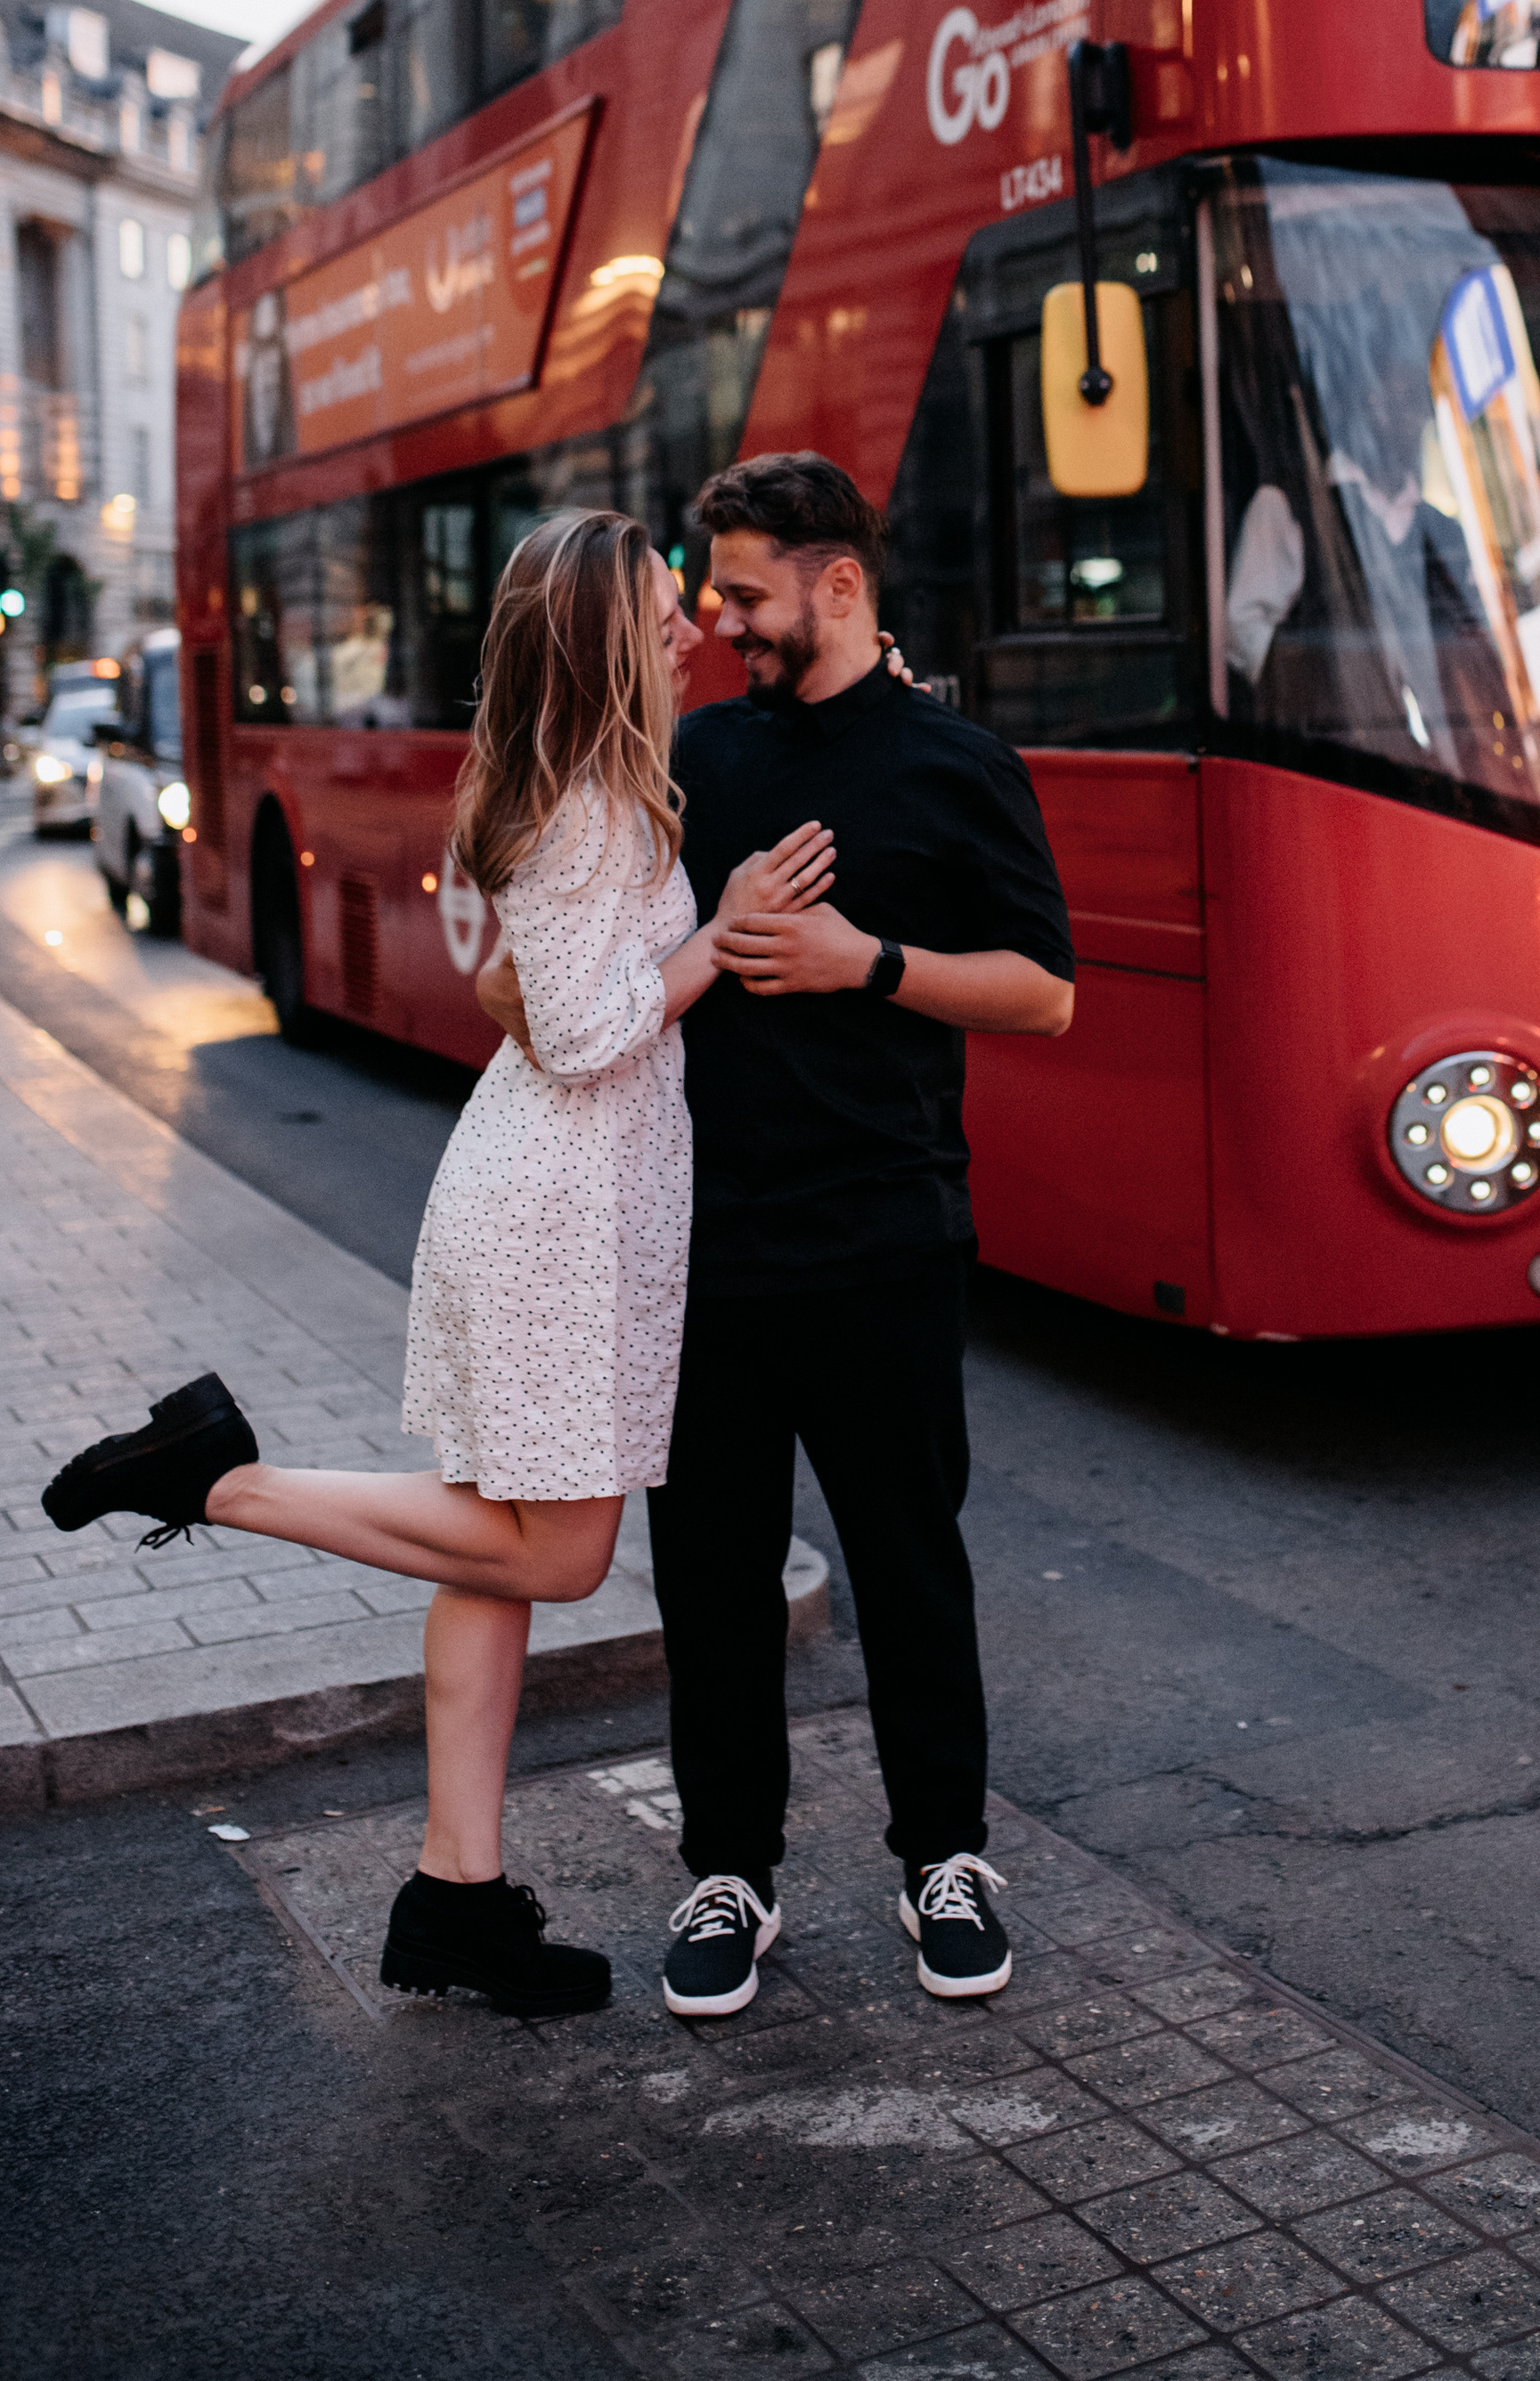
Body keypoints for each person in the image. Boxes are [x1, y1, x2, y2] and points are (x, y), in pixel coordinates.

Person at [38, 511, 833, 2018]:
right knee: (559, 1556)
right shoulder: (595, 808)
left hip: (543, 1192)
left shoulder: (577, 784)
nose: (692, 630)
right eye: (665, 611)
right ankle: (222, 1482)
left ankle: (456, 1895)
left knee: (490, 1552)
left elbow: (525, 991)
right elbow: (590, 1034)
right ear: (607, 635)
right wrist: (725, 935)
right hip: (559, 1218)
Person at [480, 450, 1075, 2020]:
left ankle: (945, 1858)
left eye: (744, 595)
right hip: (701, 1248)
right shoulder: (688, 763)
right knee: (714, 1585)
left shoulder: (959, 764)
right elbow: (576, 959)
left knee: (911, 1567)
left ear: (841, 583)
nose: (722, 623)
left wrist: (863, 960)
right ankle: (729, 1873)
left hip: (888, 1237)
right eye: (713, 595)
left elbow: (1044, 992)